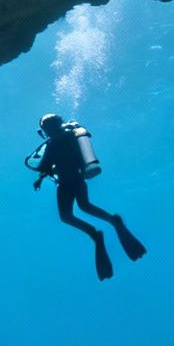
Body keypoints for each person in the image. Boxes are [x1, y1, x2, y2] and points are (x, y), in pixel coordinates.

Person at [30, 113, 146, 280]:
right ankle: (110, 222)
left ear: (48, 129)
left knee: (69, 215)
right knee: (84, 206)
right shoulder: (71, 136)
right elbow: (52, 165)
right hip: (74, 181)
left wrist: (39, 178)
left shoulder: (53, 144)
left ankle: (96, 232)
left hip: (66, 183)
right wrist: (40, 179)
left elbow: (45, 165)